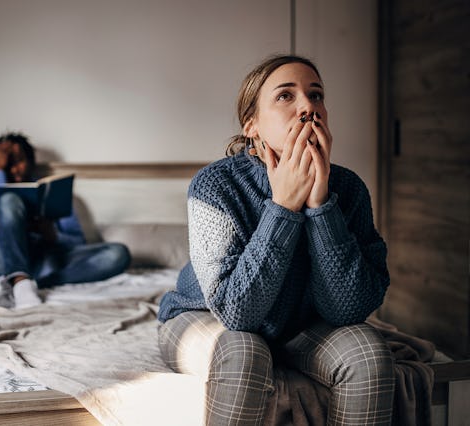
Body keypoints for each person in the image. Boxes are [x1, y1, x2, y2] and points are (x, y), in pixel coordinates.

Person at [157, 55, 395, 425]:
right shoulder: (215, 186)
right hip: (205, 317)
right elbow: (238, 313)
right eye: (286, 96)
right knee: (245, 351)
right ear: (252, 125)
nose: (307, 107)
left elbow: (347, 311)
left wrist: (320, 205)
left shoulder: (347, 189)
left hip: (300, 327)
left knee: (369, 353)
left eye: (316, 95)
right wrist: (283, 206)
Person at [0, 132, 131, 308]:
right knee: (8, 199)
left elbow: (78, 241)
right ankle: (19, 279)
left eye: (19, 160)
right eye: (6, 164)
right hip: (8, 261)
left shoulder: (53, 193)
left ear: (30, 162)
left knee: (118, 253)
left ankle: (31, 284)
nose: (14, 169)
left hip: (50, 262)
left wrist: (53, 235)